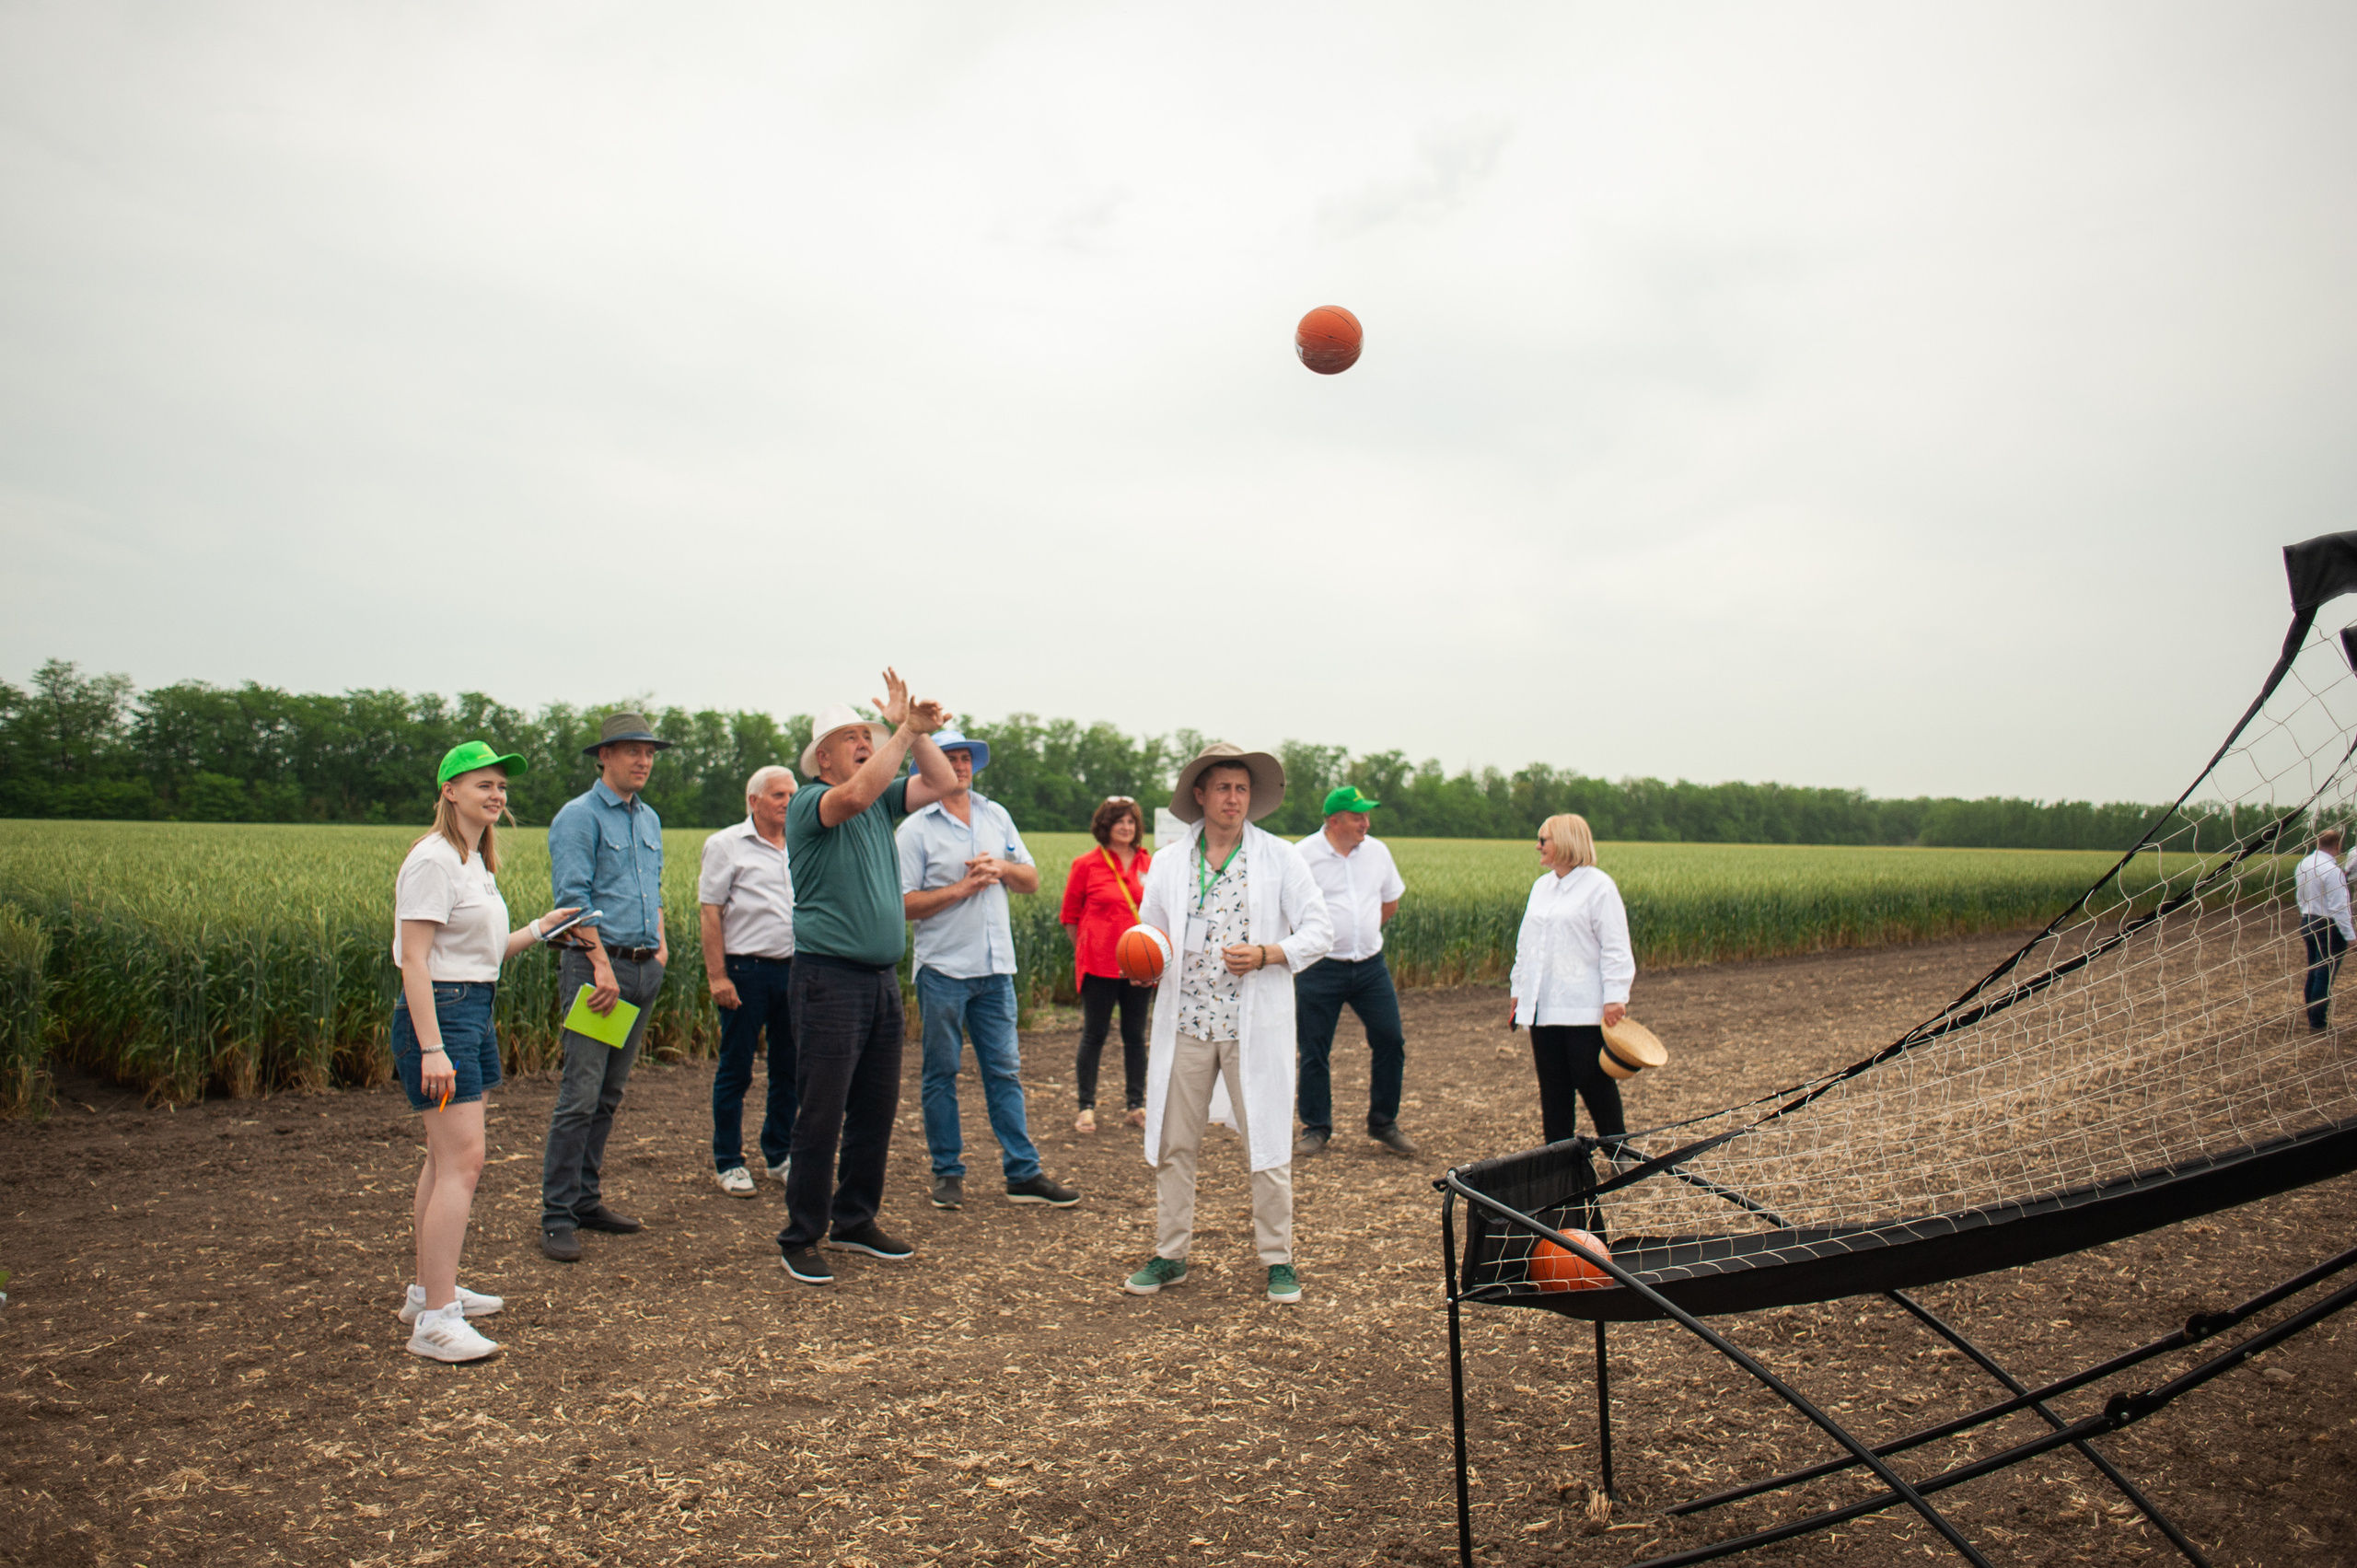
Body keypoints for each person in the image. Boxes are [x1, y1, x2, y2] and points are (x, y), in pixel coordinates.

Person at [1123, 744, 1332, 1307]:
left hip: (1251, 1027)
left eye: (1242, 789)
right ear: (1201, 794)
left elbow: (1320, 930)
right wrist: (1146, 967)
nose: (1233, 798)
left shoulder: (1280, 859)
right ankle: (1170, 1255)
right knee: (1175, 1143)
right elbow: (1153, 935)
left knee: (1265, 1142)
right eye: (1223, 788)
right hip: (1187, 1024)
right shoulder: (1169, 862)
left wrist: (1268, 953)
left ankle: (1278, 1259)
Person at [391, 740, 577, 1362]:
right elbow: (415, 960)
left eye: (501, 785)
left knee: (444, 1158)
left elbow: (483, 952)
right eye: (482, 784)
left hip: (472, 1007)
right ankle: (437, 1322)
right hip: (441, 1015)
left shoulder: (475, 863)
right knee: (464, 1161)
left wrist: (541, 928)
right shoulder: (433, 860)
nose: (496, 794)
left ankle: (428, 1293)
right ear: (449, 791)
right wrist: (432, 1047)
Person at [776, 672, 958, 1287]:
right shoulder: (810, 802)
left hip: (879, 979)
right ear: (821, 757)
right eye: (848, 736)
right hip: (828, 978)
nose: (860, 740)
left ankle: (855, 1219)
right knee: (822, 1111)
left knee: (876, 1108)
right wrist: (903, 729)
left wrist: (920, 732)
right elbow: (854, 795)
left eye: (865, 733)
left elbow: (942, 782)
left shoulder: (883, 800)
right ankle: (801, 1233)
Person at [899, 727, 1078, 1212]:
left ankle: (1022, 1173)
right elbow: (903, 905)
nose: (959, 766)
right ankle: (948, 1172)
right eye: (948, 758)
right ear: (925, 767)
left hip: (997, 968)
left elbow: (1032, 878)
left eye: (965, 758)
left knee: (1005, 1072)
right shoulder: (915, 829)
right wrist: (960, 888)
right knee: (941, 1072)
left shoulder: (995, 815)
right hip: (943, 969)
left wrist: (999, 868)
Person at [540, 712, 672, 1264]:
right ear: (604, 756)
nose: (642, 761)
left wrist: (660, 949)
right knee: (581, 1093)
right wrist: (601, 967)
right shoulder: (579, 817)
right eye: (630, 751)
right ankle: (556, 1216)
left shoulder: (649, 820)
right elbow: (572, 902)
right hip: (599, 973)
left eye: (648, 752)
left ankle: (587, 1200)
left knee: (610, 1094)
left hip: (641, 970)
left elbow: (654, 889)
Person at [1292, 784, 1415, 1158]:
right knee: (1314, 1049)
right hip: (1319, 968)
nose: (1366, 822)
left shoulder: (1377, 852)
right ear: (1334, 821)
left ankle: (1383, 1123)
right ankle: (1316, 1128)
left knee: (1390, 1040)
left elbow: (1390, 900)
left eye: (1366, 815)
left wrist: (1364, 931)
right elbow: (1286, 911)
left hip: (1370, 966)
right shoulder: (1302, 856)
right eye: (1358, 816)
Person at [699, 765, 799, 1198]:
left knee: (789, 1070)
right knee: (736, 1069)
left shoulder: (802, 843)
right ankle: (729, 1162)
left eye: (793, 795)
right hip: (745, 972)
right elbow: (710, 912)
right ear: (754, 800)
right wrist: (718, 976)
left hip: (795, 971)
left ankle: (779, 1154)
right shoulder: (726, 845)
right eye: (779, 795)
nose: (788, 803)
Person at [1509, 813, 1635, 1149]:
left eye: (1543, 840)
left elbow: (1615, 946)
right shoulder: (1541, 887)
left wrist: (1615, 996)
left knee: (1592, 1080)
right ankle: (1559, 1162)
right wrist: (1518, 991)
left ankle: (1618, 1149)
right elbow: (1527, 944)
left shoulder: (1599, 887)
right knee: (1552, 1087)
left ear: (1565, 842)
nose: (1537, 846)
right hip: (1542, 1003)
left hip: (1583, 1006)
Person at [1060, 796, 1153, 1134]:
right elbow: (1070, 917)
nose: (1126, 828)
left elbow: (1159, 913)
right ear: (1106, 826)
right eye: (1119, 822)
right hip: (1099, 965)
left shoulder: (1149, 864)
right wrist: (1086, 948)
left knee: (1134, 1034)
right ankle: (1086, 1107)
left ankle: (1136, 1105)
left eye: (1131, 822)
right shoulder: (1086, 864)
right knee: (1094, 1034)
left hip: (1139, 967)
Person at [2295, 827, 2351, 1032]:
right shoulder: (2333, 871)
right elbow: (2340, 907)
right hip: (2328, 925)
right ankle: (2317, 1022)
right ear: (2337, 846)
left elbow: (2300, 896)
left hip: (2308, 920)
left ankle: (2312, 1015)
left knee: (2314, 971)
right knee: (2324, 975)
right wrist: (2351, 937)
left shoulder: (2303, 864)